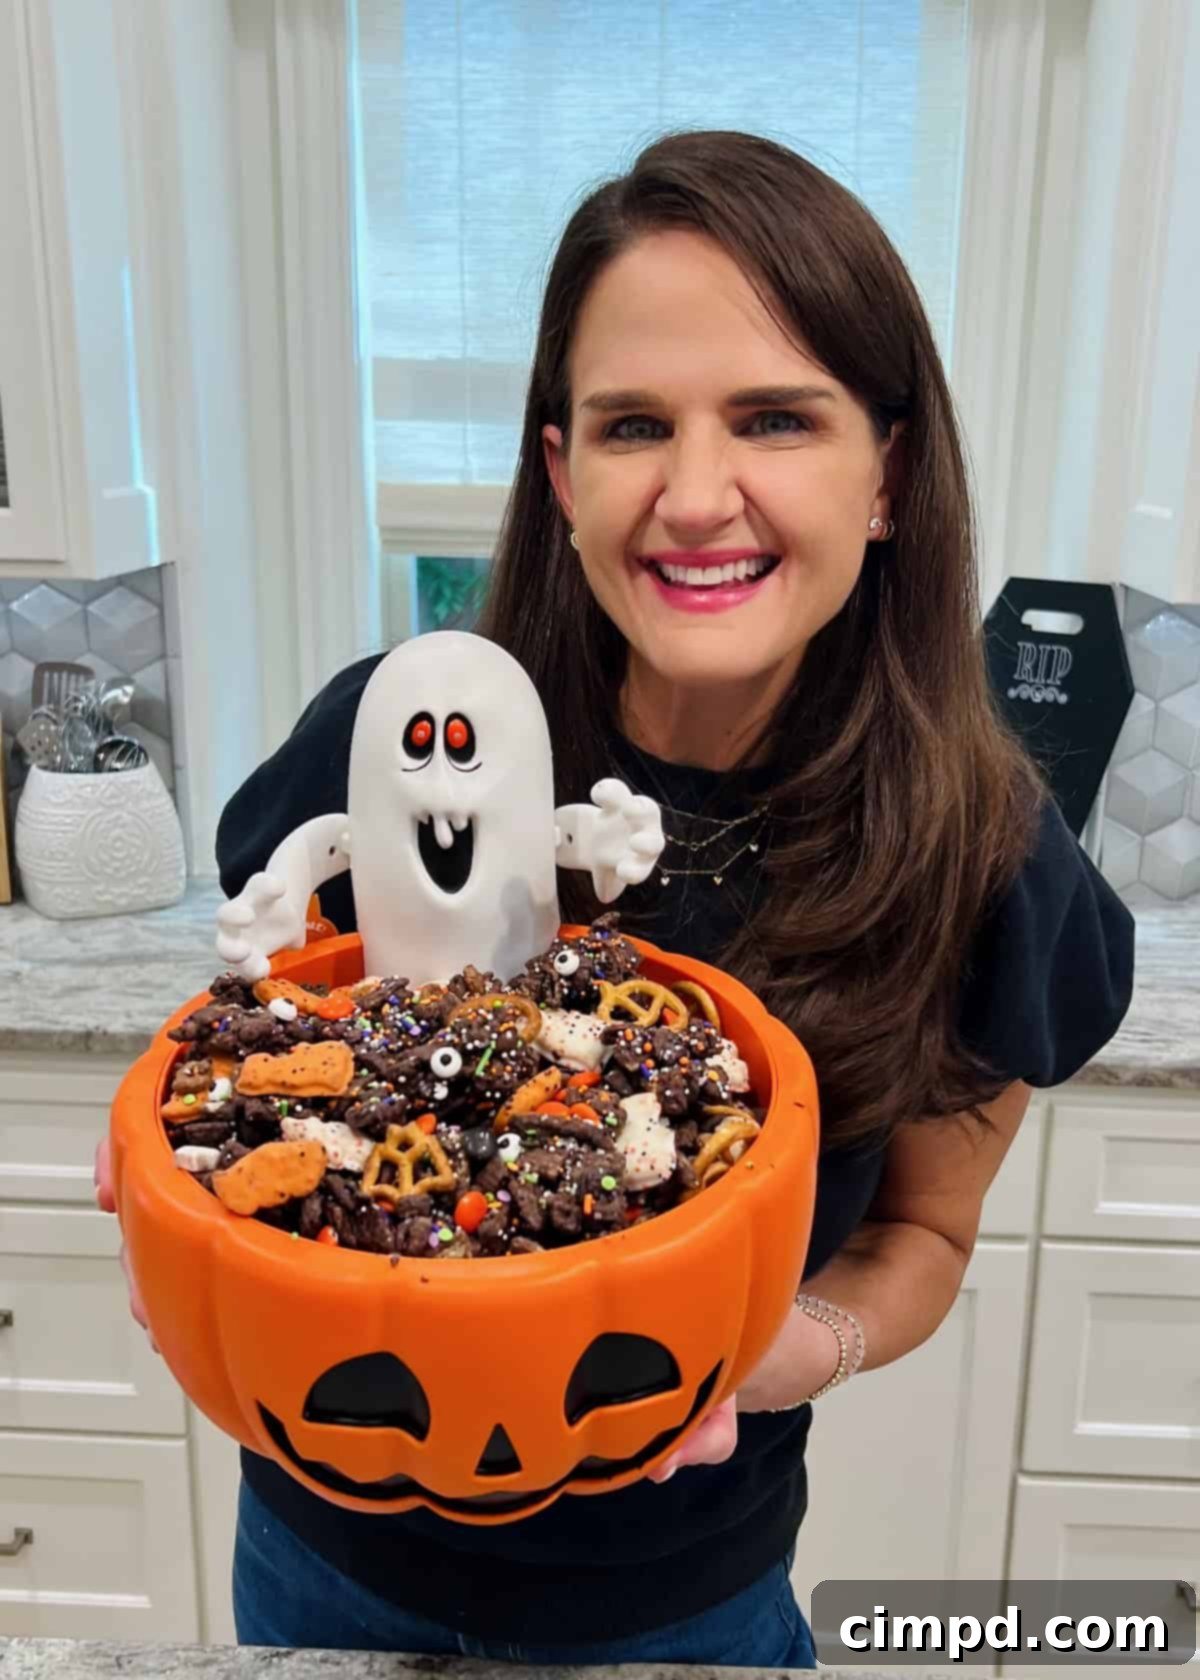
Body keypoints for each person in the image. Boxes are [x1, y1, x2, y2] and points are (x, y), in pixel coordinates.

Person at [95, 130, 1134, 1665]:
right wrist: (184, 1204)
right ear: (562, 475)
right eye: (634, 423)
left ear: (889, 476)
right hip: (321, 1555)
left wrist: (783, 1349)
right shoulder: (403, 745)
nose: (696, 495)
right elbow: (257, 1045)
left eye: (776, 418)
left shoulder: (978, 857)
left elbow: (925, 1233)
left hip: (689, 1605)